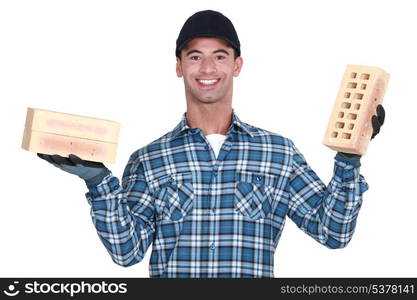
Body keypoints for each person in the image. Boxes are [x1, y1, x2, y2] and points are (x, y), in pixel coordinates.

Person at [38, 10, 386, 278]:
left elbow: (333, 232)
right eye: (194, 56)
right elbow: (126, 252)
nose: (208, 67)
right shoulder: (150, 159)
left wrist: (349, 159)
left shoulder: (278, 154)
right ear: (179, 67)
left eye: (220, 56)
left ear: (237, 65)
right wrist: (99, 184)